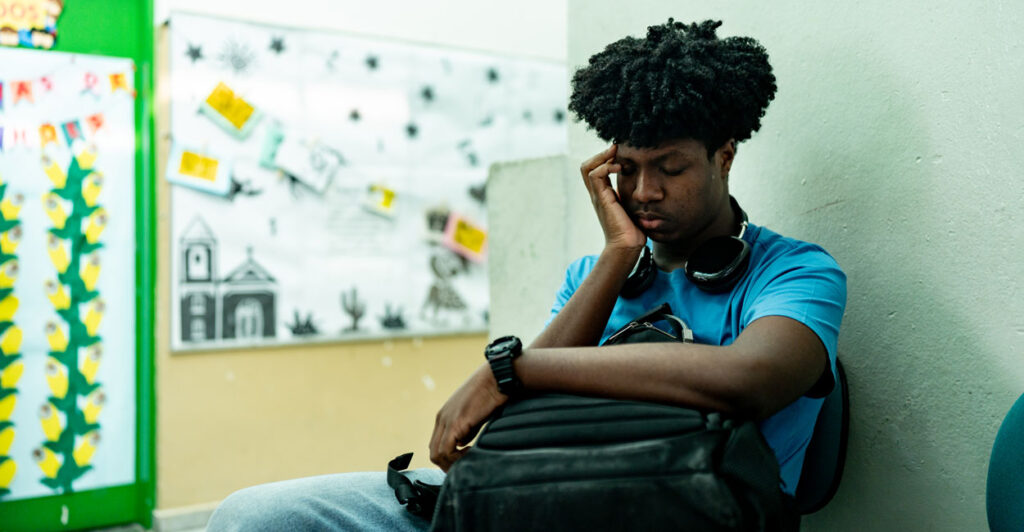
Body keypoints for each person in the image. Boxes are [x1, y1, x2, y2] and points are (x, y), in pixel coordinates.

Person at [207, 18, 846, 531]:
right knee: (254, 516)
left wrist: (510, 367)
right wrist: (617, 255)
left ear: (724, 157)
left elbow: (750, 379)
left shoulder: (794, 271)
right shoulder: (593, 276)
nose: (644, 191)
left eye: (671, 168)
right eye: (627, 169)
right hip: (530, 491)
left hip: (678, 509)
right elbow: (518, 415)